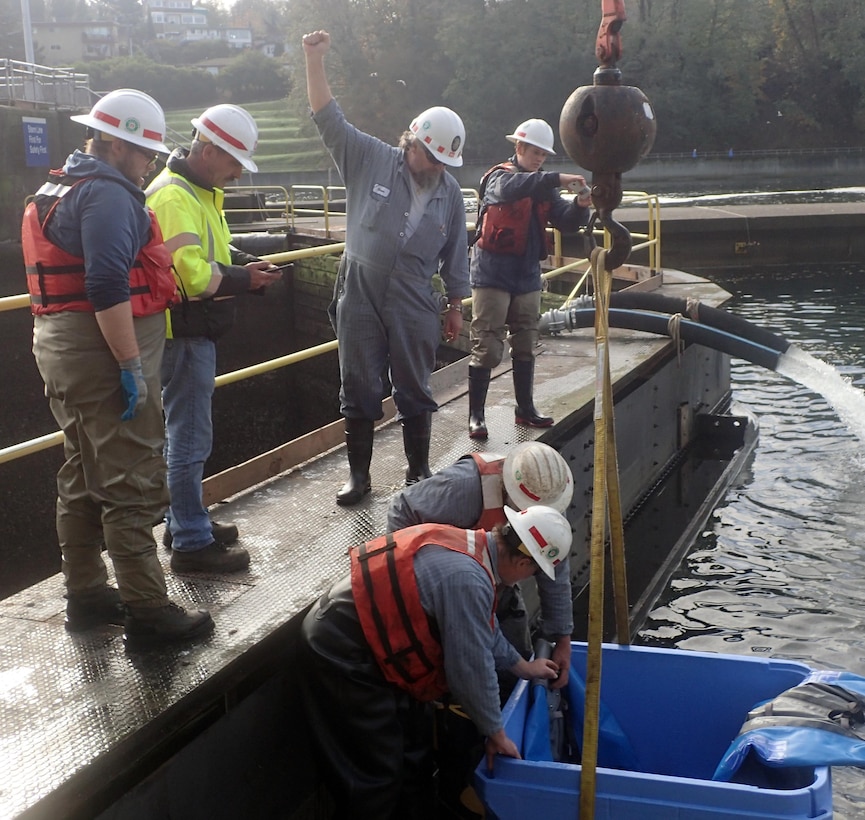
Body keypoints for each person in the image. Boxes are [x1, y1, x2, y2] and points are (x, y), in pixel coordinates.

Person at [22, 89, 214, 648]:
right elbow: (107, 285)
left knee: (82, 473)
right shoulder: (107, 196)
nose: (149, 160)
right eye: (141, 149)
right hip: (100, 355)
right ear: (111, 141)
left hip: (60, 348)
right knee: (131, 479)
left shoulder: (61, 185)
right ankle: (148, 610)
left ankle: (86, 595)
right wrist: (130, 366)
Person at [297, 504, 572, 819]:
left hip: (375, 640)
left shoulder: (477, 549)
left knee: (414, 754)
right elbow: (470, 670)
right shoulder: (468, 577)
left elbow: (481, 627)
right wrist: (496, 734)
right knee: (377, 773)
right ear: (524, 562)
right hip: (343, 646)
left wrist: (522, 667)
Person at [302, 30, 470, 506]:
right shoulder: (370, 158)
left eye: (444, 162)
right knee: (357, 382)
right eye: (430, 156)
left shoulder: (450, 193)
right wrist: (314, 60)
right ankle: (360, 476)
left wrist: (455, 304)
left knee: (416, 384)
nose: (436, 167)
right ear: (411, 141)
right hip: (359, 289)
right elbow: (327, 118)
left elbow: (457, 251)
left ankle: (417, 470)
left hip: (417, 296)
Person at [145, 104, 283, 573]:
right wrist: (246, 280)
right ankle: (189, 541)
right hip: (180, 334)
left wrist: (246, 263)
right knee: (189, 437)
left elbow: (212, 252)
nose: (239, 175)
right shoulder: (174, 196)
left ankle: (185, 517)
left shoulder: (199, 191)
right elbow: (192, 278)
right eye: (233, 164)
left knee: (183, 434)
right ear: (207, 151)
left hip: (190, 332)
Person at [387, 441, 575, 683]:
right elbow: (401, 509)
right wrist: (413, 587)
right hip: (453, 583)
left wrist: (562, 637)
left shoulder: (551, 499)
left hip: (495, 582)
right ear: (511, 492)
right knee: (456, 665)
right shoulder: (464, 486)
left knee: (516, 663)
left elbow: (555, 571)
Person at [468, 118, 592, 439]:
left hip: (526, 275)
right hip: (492, 273)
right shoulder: (498, 177)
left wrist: (579, 205)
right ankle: (476, 416)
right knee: (488, 346)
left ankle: (525, 409)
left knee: (525, 342)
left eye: (543, 155)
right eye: (534, 152)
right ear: (518, 148)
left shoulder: (544, 186)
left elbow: (565, 222)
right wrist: (555, 178)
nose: (539, 159)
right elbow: (508, 191)